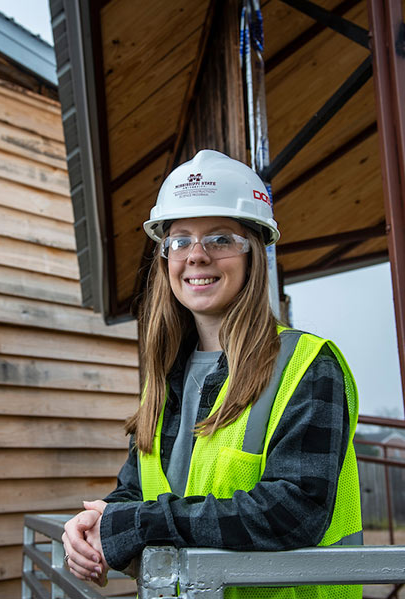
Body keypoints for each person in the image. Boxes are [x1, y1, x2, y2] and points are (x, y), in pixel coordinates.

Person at [61, 150, 362, 598]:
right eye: (179, 240)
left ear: (253, 253)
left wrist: (137, 525)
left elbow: (295, 512)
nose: (196, 255)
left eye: (220, 238)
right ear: (165, 258)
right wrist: (95, 522)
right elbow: (135, 492)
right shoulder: (165, 379)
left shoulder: (308, 366)